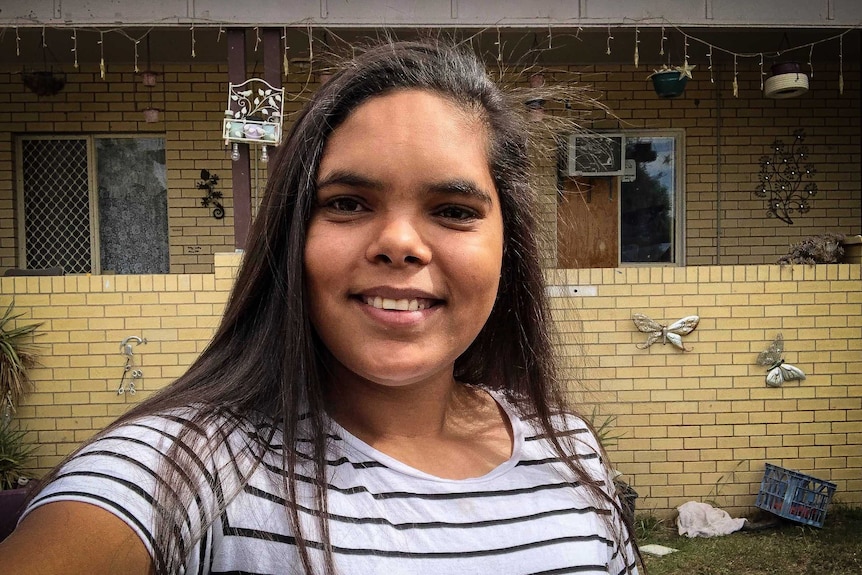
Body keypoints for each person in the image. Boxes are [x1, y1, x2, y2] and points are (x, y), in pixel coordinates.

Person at [0, 40, 638, 574]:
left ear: (509, 248)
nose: (399, 244)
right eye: (349, 203)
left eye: (453, 211)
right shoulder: (188, 467)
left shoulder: (570, 453)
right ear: (291, 236)